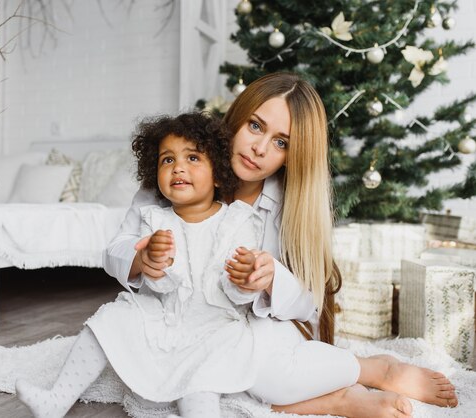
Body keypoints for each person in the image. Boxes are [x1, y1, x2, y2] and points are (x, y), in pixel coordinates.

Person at [103, 72, 458, 417]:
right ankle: (337, 401)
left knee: (261, 376)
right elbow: (116, 249)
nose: (259, 148)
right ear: (236, 119)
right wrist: (139, 258)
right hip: (186, 323)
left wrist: (272, 278)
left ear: (292, 155)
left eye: (280, 142)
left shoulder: (289, 205)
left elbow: (309, 305)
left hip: (252, 328)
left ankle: (376, 370)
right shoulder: (177, 169)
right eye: (255, 126)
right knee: (163, 372)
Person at [17, 112, 308, 417]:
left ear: (219, 174)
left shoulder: (237, 220)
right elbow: (160, 284)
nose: (178, 166)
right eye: (167, 160)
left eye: (193, 158)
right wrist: (152, 262)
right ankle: (56, 399)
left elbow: (237, 295)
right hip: (165, 317)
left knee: (200, 382)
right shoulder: (155, 219)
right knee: (110, 318)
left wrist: (244, 280)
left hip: (215, 326)